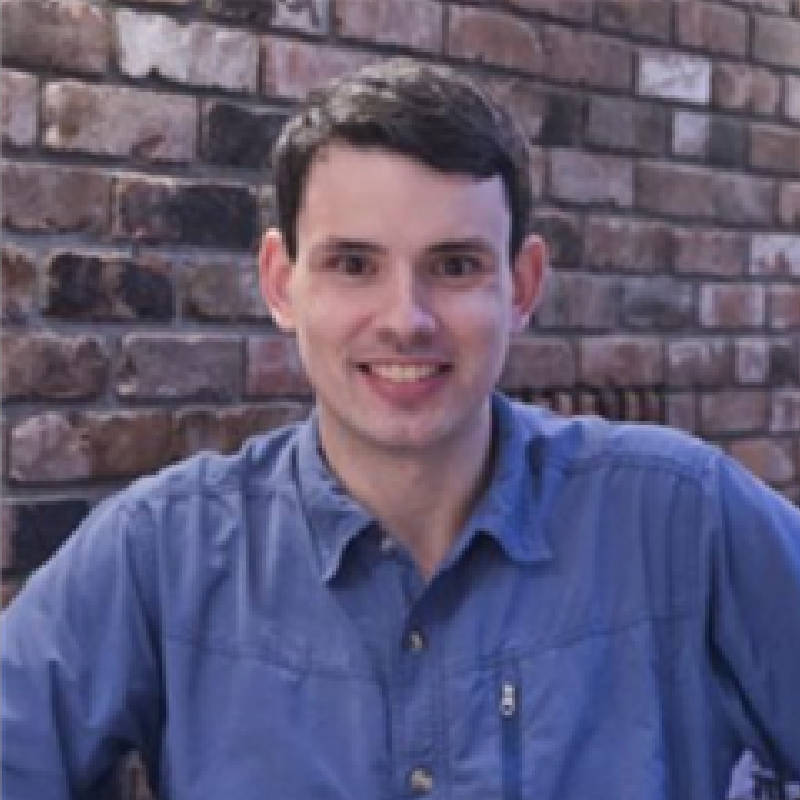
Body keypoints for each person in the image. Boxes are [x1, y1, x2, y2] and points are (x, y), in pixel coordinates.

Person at [2, 57, 799, 800]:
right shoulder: (163, 551)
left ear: (521, 287)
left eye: (454, 265)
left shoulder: (682, 517)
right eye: (354, 264)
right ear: (282, 284)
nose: (405, 321)